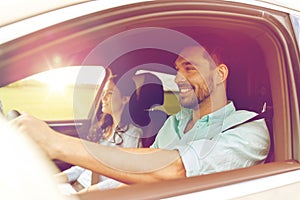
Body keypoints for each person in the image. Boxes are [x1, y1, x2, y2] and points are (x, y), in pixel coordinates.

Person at [11, 45, 270, 185]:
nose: (179, 78)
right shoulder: (173, 124)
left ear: (220, 74)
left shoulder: (248, 130)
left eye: (189, 69)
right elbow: (137, 173)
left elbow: (177, 169)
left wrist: (57, 143)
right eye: (177, 69)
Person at [55, 69, 142, 193]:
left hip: (92, 193)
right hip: (76, 187)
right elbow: (87, 163)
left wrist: (91, 191)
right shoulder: (105, 127)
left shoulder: (132, 134)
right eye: (104, 93)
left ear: (125, 99)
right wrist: (59, 178)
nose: (103, 98)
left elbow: (126, 177)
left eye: (110, 93)